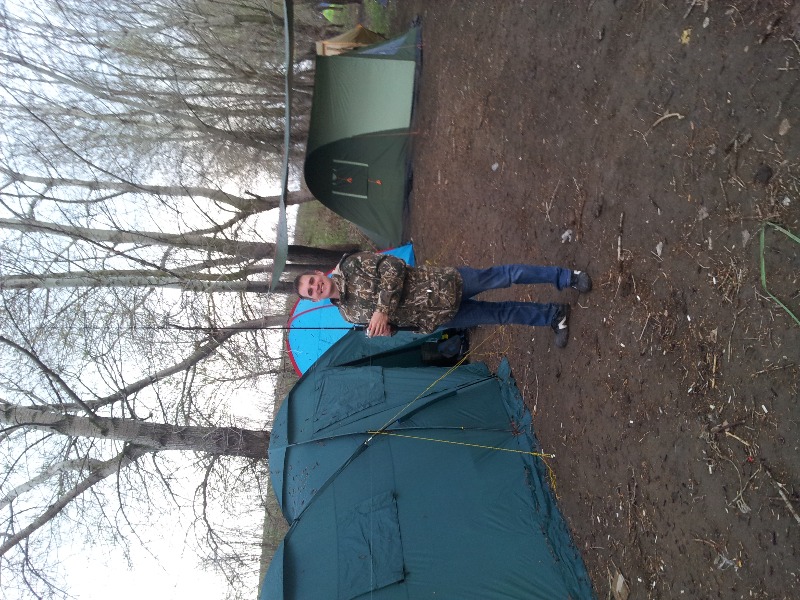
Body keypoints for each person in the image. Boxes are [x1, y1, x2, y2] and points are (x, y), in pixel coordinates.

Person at [294, 251, 592, 348]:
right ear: (313, 301)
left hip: (444, 285)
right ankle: (553, 315)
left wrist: (382, 310)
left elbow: (394, 267)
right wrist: (388, 329)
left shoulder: (350, 265)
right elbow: (396, 324)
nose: (315, 287)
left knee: (506, 276)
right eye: (310, 292)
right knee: (499, 314)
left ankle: (566, 277)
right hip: (438, 317)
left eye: (312, 281)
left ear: (318, 273)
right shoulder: (347, 315)